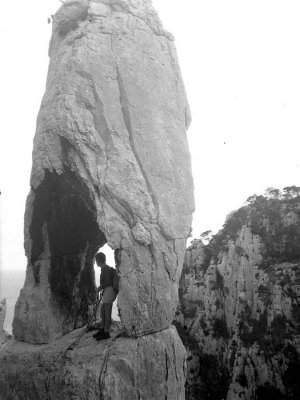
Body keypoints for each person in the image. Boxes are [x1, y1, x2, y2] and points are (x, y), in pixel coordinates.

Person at [93, 252, 117, 340]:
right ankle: (103, 329)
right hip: (107, 292)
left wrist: (100, 288)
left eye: (96, 261)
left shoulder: (105, 269)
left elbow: (107, 282)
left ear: (99, 261)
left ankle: (106, 333)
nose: (95, 262)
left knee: (107, 313)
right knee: (103, 312)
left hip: (109, 292)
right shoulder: (104, 268)